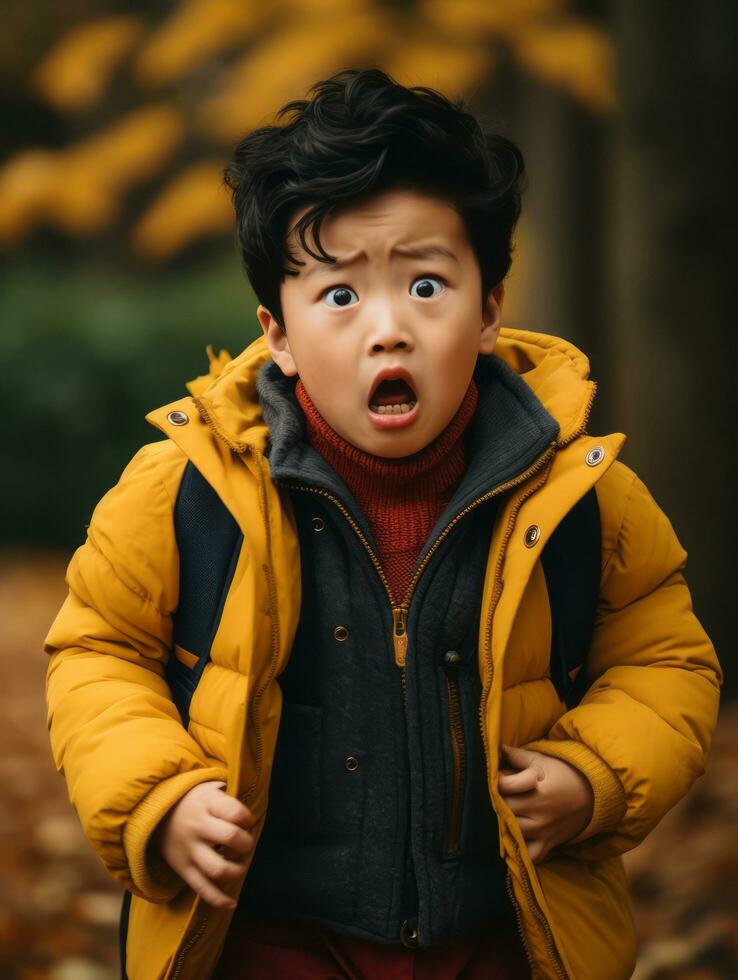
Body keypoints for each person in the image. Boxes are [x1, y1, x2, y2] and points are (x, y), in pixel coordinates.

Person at [43, 68, 722, 980]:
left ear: (488, 311)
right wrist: (157, 799)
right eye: (338, 296)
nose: (389, 330)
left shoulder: (577, 493)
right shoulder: (190, 489)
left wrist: (594, 776)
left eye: (428, 286)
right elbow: (98, 649)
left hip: (500, 934)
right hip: (268, 934)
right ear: (277, 333)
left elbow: (665, 655)